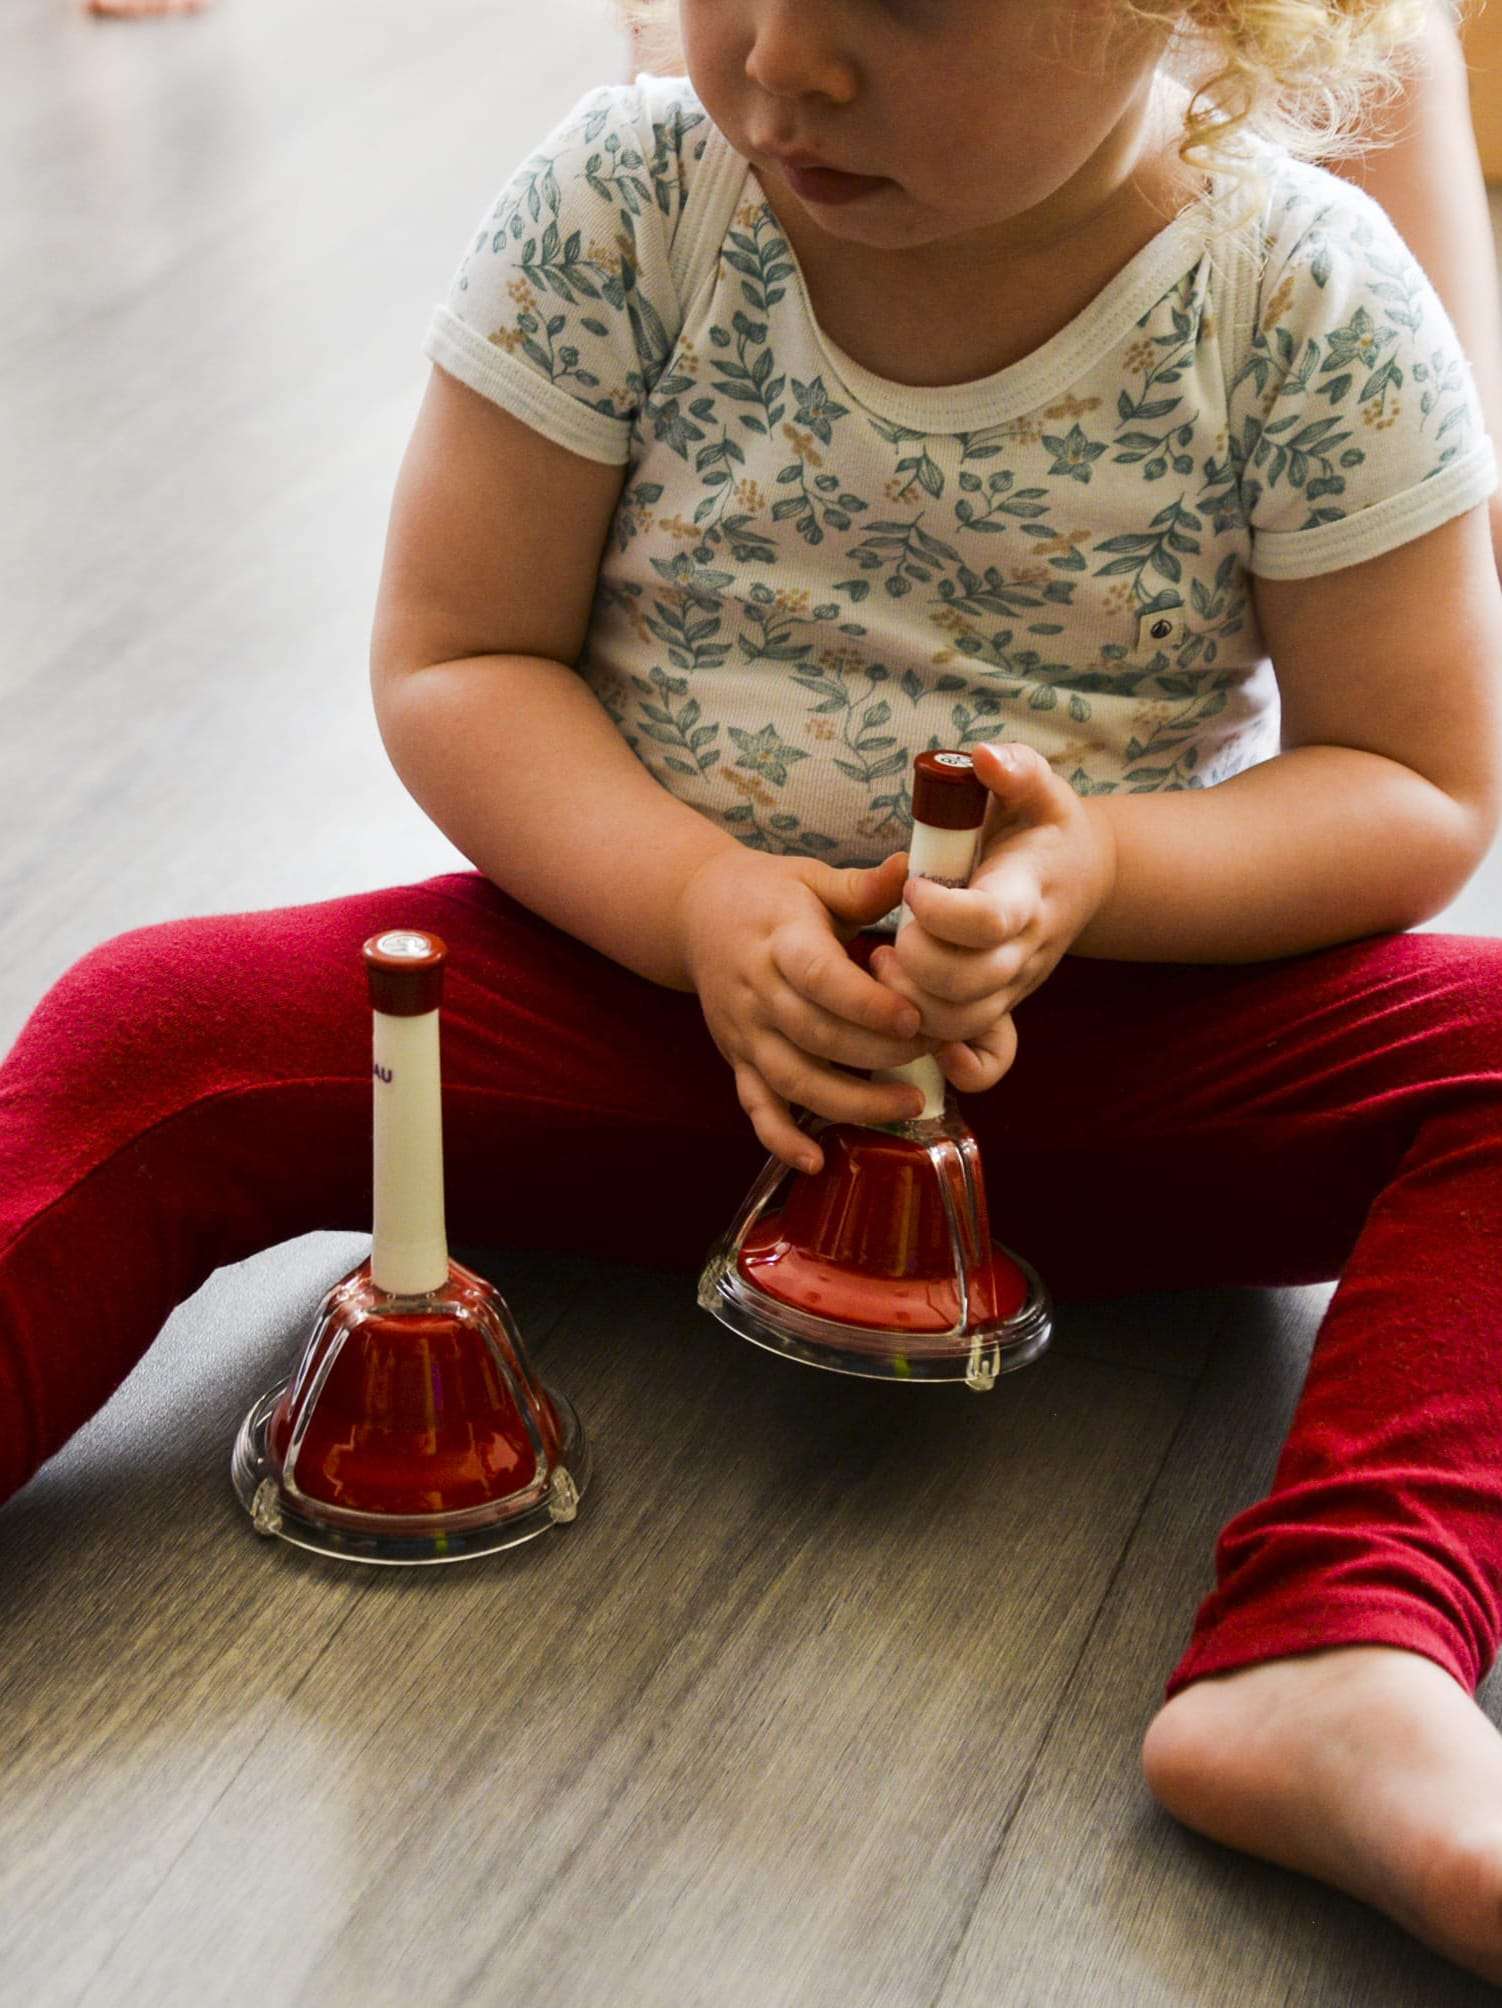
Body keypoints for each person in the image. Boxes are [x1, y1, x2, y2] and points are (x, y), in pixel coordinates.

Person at [5, 0, 1502, 1982]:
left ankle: (1340, 1649)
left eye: (901, 5)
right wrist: (692, 897)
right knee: (152, 1022)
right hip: (632, 1008)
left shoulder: (1303, 288)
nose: (783, 69)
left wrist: (1110, 868)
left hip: (1078, 1065)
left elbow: (1413, 779)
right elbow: (461, 654)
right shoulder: (630, 197)